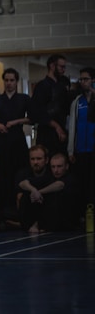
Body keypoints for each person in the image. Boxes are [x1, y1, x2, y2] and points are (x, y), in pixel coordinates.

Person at [0, 68, 31, 219]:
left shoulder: (24, 98)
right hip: (2, 142)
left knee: (19, 174)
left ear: (16, 81)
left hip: (18, 141)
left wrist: (16, 121)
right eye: (6, 80)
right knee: (3, 176)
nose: (9, 83)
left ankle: (20, 209)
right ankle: (3, 211)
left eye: (12, 80)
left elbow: (33, 117)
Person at [16, 146, 69, 233]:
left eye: (39, 159)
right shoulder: (25, 172)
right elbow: (22, 183)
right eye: (33, 159)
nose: (56, 170)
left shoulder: (65, 177)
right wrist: (34, 190)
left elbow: (59, 185)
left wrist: (38, 192)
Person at [67, 67, 95, 218]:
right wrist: (71, 150)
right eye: (81, 79)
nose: (83, 82)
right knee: (83, 183)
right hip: (81, 150)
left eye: (86, 79)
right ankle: (84, 214)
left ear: (93, 80)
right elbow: (72, 126)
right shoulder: (77, 102)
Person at [29, 54, 69, 156]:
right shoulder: (42, 86)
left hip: (61, 134)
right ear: (52, 66)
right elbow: (36, 112)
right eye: (61, 67)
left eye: (64, 67)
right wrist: (56, 126)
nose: (63, 70)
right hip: (46, 134)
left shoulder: (62, 87)